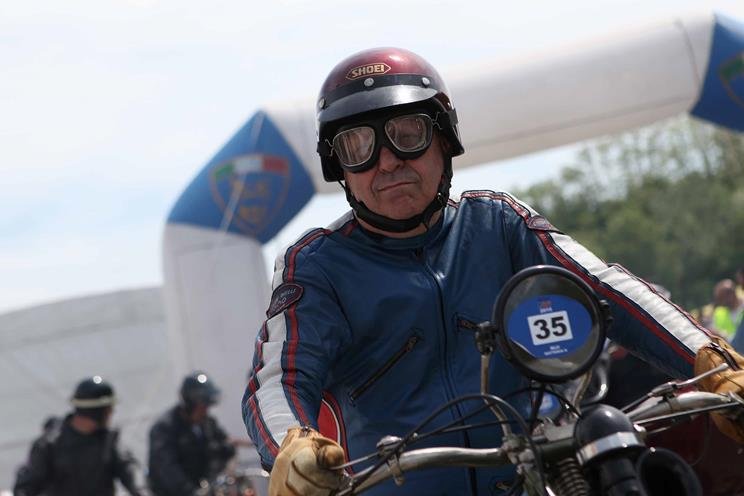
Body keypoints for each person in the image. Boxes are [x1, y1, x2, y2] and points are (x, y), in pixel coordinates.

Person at [242, 47, 744, 496]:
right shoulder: (316, 265)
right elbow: (281, 377)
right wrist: (293, 444)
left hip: (534, 471)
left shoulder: (499, 222)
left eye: (408, 134)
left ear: (444, 139)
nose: (388, 161)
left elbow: (604, 286)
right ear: (340, 169)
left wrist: (714, 364)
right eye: (358, 147)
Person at [13, 376, 142, 496]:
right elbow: (27, 486)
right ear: (97, 411)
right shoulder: (49, 445)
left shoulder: (110, 442)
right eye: (109, 408)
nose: (112, 412)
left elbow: (131, 470)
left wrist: (142, 490)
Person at [147, 371, 237, 496]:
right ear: (190, 404)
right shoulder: (164, 429)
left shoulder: (208, 423)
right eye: (202, 406)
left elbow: (224, 447)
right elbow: (168, 469)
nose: (205, 411)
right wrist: (192, 492)